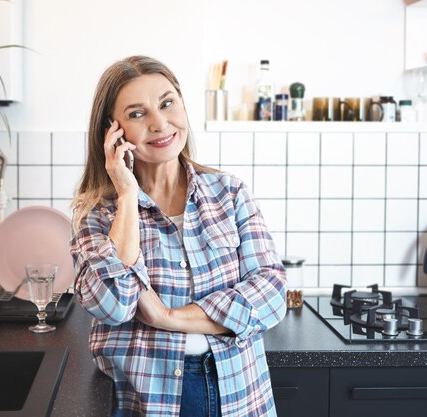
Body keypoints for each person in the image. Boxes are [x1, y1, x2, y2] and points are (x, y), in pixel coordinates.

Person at [70, 55, 287, 417]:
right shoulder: (97, 213)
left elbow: (271, 293)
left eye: (167, 103)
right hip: (147, 398)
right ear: (113, 130)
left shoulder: (228, 192)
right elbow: (113, 305)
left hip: (238, 389)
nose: (160, 123)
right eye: (137, 114)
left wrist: (166, 316)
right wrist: (126, 194)